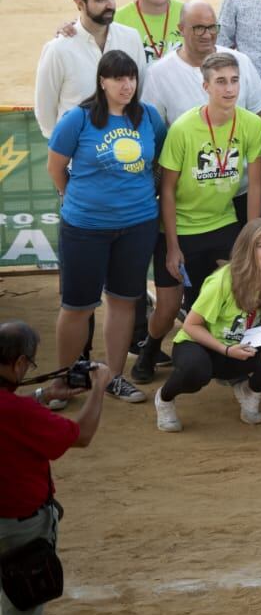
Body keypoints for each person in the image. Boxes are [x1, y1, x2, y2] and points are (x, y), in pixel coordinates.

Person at [0, 321, 111, 615]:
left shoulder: (15, 406)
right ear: (17, 363)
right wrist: (98, 389)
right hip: (19, 532)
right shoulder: (16, 413)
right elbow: (81, 435)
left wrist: (43, 394)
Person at [45, 49, 164, 404]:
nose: (126, 85)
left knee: (124, 301)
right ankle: (65, 379)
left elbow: (157, 160)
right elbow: (56, 168)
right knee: (77, 306)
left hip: (137, 224)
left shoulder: (148, 116)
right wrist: (75, 198)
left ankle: (113, 376)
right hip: (84, 227)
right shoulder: (78, 119)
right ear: (102, 81)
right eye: (118, 78)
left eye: (131, 78)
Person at [143, 53, 261, 384]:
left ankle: (225, 359)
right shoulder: (183, 128)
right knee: (168, 309)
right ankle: (151, 349)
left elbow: (255, 185)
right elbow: (166, 190)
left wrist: (250, 238)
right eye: (221, 81)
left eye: (234, 80)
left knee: (237, 293)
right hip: (179, 227)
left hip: (223, 223)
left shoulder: (252, 125)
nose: (229, 89)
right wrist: (172, 246)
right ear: (206, 86)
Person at [152, 218, 261, 432]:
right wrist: (226, 349)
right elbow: (191, 325)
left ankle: (249, 393)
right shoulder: (223, 280)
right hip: (202, 344)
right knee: (195, 371)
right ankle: (165, 399)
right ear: (246, 249)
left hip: (238, 347)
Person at [34, 0, 145, 134]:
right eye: (101, 0)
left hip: (125, 150)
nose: (110, 5)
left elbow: (140, 91)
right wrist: (63, 146)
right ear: (80, 3)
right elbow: (45, 110)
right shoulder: (58, 49)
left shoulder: (131, 38)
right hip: (75, 154)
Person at [143, 0, 261, 127]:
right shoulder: (158, 74)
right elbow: (153, 127)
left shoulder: (241, 61)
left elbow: (258, 114)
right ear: (181, 29)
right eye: (199, 28)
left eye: (211, 27)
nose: (207, 35)